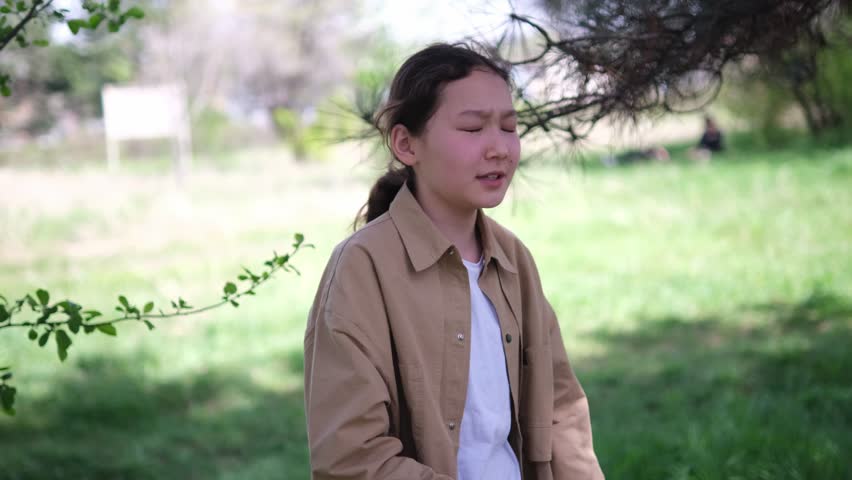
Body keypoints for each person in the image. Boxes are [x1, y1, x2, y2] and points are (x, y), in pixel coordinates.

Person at [303, 43, 604, 480]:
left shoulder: (514, 259)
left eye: (508, 127)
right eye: (472, 128)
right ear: (406, 144)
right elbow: (351, 459)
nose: (499, 147)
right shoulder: (362, 267)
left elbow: (562, 413)